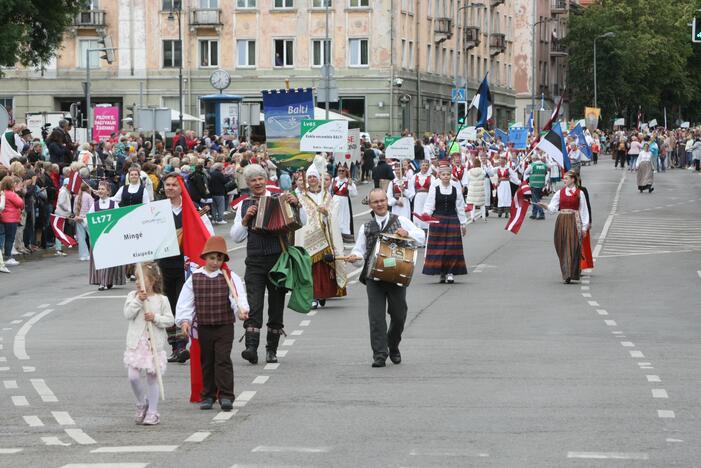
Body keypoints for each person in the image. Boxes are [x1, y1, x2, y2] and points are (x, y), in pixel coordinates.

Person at [230, 164, 302, 365]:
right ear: (248, 184)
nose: (258, 183)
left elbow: (300, 222)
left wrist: (297, 204)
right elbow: (235, 237)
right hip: (254, 261)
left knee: (276, 305)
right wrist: (246, 218)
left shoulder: (279, 197)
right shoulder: (244, 204)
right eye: (253, 180)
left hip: (278, 261)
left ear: (266, 179)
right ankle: (251, 348)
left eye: (260, 178)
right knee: (254, 305)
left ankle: (272, 350)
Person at [347, 188, 425, 367]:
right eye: (376, 202)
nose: (380, 204)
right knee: (376, 317)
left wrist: (409, 234)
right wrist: (355, 258)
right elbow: (359, 251)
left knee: (399, 315)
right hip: (373, 277)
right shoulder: (365, 227)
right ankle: (379, 354)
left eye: (382, 200)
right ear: (371, 205)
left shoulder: (401, 220)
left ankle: (393, 344)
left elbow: (421, 236)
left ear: (386, 201)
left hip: (397, 275)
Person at [175, 236, 248, 411]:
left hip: (224, 326)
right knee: (207, 361)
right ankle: (207, 395)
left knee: (222, 360)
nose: (215, 262)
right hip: (204, 327)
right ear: (205, 257)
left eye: (219, 258)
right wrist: (185, 321)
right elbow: (186, 302)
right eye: (212, 258)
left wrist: (241, 309)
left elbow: (237, 297)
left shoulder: (230, 277)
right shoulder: (195, 278)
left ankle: (226, 396)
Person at [123, 262, 174, 426]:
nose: (138, 282)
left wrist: (156, 318)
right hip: (137, 344)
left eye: (142, 278)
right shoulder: (132, 296)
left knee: (153, 378)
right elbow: (128, 314)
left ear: (152, 280)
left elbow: (170, 320)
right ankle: (141, 403)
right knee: (133, 376)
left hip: (154, 345)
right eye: (136, 278)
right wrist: (138, 300)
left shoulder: (162, 299)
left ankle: (153, 411)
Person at [296, 164, 347, 309]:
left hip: (325, 236)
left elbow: (333, 215)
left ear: (319, 179)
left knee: (324, 267)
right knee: (311, 268)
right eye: (310, 177)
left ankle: (322, 293)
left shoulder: (326, 195)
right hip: (309, 236)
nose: (312, 179)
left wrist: (326, 214)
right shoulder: (302, 197)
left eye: (314, 177)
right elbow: (301, 217)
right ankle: (313, 295)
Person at [157, 173, 191, 364]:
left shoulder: (190, 209)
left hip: (184, 265)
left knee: (182, 305)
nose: (170, 188)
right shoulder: (158, 210)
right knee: (168, 306)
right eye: (167, 185)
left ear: (181, 187)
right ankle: (174, 346)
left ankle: (181, 346)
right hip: (164, 265)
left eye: (174, 185)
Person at [539, 170, 590, 284]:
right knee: (562, 246)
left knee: (573, 246)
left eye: (566, 178)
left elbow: (584, 210)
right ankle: (566, 271)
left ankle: (570, 273)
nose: (564, 180)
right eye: (564, 178)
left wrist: (584, 227)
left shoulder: (579, 193)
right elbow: (553, 209)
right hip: (562, 220)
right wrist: (545, 206)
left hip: (574, 220)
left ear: (573, 179)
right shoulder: (559, 193)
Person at [421, 163, 468, 283]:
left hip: (452, 220)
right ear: (439, 176)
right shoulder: (435, 189)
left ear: (450, 175)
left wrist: (463, 224)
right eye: (443, 174)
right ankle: (441, 272)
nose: (446, 176)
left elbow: (460, 208)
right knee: (439, 248)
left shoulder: (456, 190)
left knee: (451, 248)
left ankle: (451, 272)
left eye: (448, 174)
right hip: (438, 221)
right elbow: (429, 205)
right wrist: (426, 215)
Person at [89, 181, 126, 290]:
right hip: (99, 236)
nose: (100, 190)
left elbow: (118, 217)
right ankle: (102, 282)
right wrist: (82, 220)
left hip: (110, 236)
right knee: (101, 260)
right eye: (99, 189)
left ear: (108, 192)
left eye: (103, 189)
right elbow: (89, 218)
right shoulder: (95, 205)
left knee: (110, 260)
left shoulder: (113, 204)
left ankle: (108, 281)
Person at [0, 176, 25, 266]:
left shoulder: (2, 193)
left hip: (2, 218)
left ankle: (3, 257)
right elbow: (20, 203)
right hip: (11, 219)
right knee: (10, 239)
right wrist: (17, 193)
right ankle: (8, 257)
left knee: (3, 238)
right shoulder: (11, 193)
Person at [330, 164, 357, 243]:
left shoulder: (348, 181)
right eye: (339, 170)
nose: (341, 172)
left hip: (344, 203)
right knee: (334, 219)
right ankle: (334, 237)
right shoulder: (333, 180)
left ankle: (345, 238)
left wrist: (351, 185)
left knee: (344, 220)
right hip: (334, 202)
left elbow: (354, 194)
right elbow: (328, 191)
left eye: (343, 170)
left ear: (346, 172)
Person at [410, 159, 433, 231]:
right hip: (418, 197)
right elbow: (411, 187)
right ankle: (417, 227)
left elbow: (433, 189)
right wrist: (413, 196)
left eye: (426, 165)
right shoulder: (415, 176)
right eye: (423, 165)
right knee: (418, 211)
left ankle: (427, 228)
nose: (425, 167)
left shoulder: (431, 177)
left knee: (426, 211)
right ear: (420, 166)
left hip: (427, 197)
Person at [72, 183, 94, 262]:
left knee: (81, 238)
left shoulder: (77, 197)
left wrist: (78, 216)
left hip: (78, 219)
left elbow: (74, 210)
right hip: (87, 219)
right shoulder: (89, 197)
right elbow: (92, 208)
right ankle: (93, 254)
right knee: (92, 237)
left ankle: (83, 255)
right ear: (87, 189)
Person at [524, 152, 548, 220]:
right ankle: (534, 213)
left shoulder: (532, 165)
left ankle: (541, 213)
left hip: (534, 183)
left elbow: (526, 172)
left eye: (532, 159)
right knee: (536, 198)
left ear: (534, 159)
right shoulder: (544, 165)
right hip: (541, 184)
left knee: (536, 199)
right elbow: (546, 172)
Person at [465, 159, 487, 223]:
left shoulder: (469, 172)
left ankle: (472, 217)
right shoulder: (482, 171)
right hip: (480, 189)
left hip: (472, 189)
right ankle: (484, 217)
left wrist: (469, 187)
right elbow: (484, 177)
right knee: (482, 204)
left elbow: (468, 180)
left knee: (472, 204)